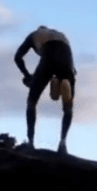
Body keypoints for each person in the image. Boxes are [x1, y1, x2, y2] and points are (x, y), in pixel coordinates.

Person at [14, 25, 77, 154]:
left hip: (49, 53)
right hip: (67, 57)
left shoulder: (34, 35)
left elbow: (17, 57)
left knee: (31, 102)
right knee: (68, 105)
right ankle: (63, 143)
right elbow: (72, 67)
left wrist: (27, 75)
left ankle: (30, 142)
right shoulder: (60, 34)